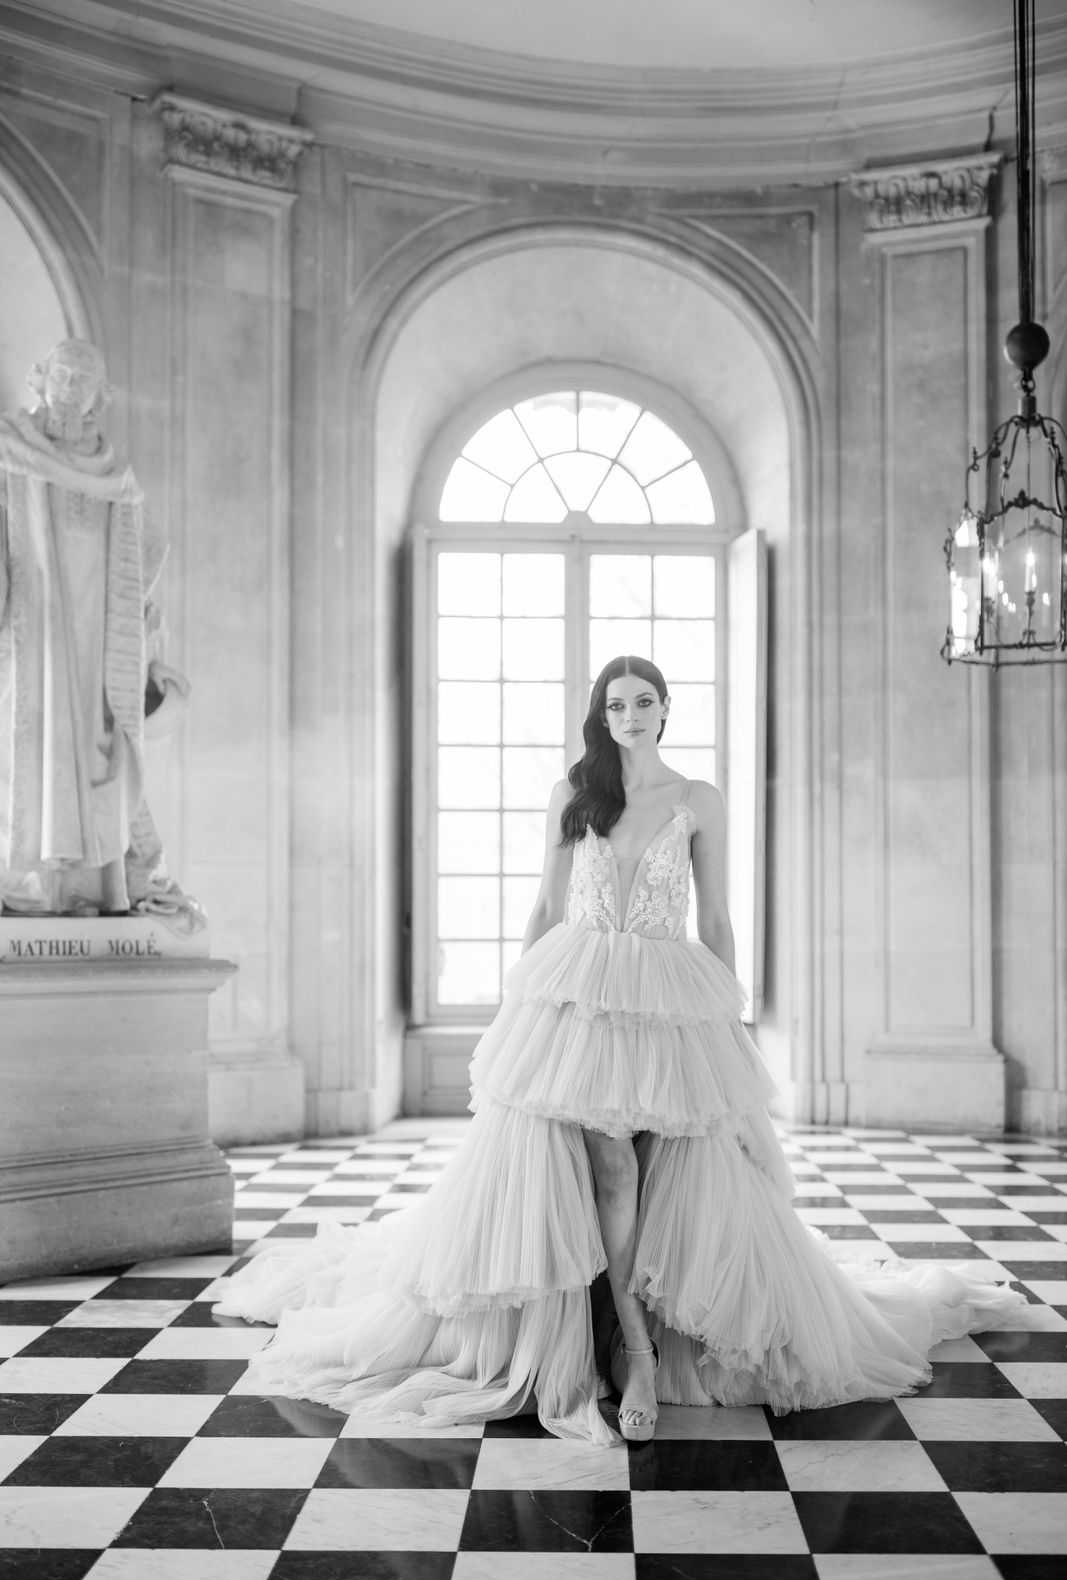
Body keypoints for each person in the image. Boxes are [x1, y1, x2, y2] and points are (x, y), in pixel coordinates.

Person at [215, 654, 1024, 1445]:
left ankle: (637, 1332)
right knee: (609, 1167)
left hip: (669, 998)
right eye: (614, 705)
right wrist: (517, 1001)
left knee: (668, 1170)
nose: (629, 717)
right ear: (600, 716)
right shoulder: (576, 793)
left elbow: (716, 919)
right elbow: (544, 901)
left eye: (642, 702)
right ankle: (632, 1353)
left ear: (666, 708)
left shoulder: (697, 798)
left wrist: (728, 1016)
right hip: (581, 991)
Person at [0, 337, 195, 920]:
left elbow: (145, 558)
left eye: (80, 380)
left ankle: (92, 885)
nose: (67, 387)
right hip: (35, 635)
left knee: (96, 749)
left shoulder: (116, 476)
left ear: (96, 397)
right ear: (42, 380)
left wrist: (144, 628)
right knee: (29, 739)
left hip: (95, 645)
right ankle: (29, 880)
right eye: (60, 374)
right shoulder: (13, 453)